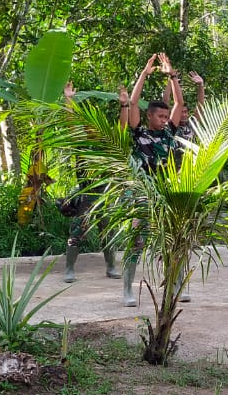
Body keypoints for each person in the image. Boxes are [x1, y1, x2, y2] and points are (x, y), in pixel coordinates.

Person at [118, 53, 186, 306]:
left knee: (174, 241)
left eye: (166, 117)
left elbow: (179, 103)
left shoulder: (169, 132)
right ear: (149, 116)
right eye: (160, 117)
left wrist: (172, 76)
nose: (164, 120)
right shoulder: (139, 133)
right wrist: (144, 74)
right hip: (144, 193)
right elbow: (133, 103)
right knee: (136, 241)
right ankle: (127, 289)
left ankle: (176, 285)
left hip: (167, 192)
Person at [61, 81, 122, 283]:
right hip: (86, 195)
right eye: (89, 124)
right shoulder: (82, 144)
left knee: (108, 232)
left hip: (105, 194)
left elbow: (123, 128)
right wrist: (68, 99)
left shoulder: (108, 146)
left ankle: (111, 266)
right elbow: (70, 124)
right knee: (77, 232)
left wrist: (125, 105)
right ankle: (69, 269)